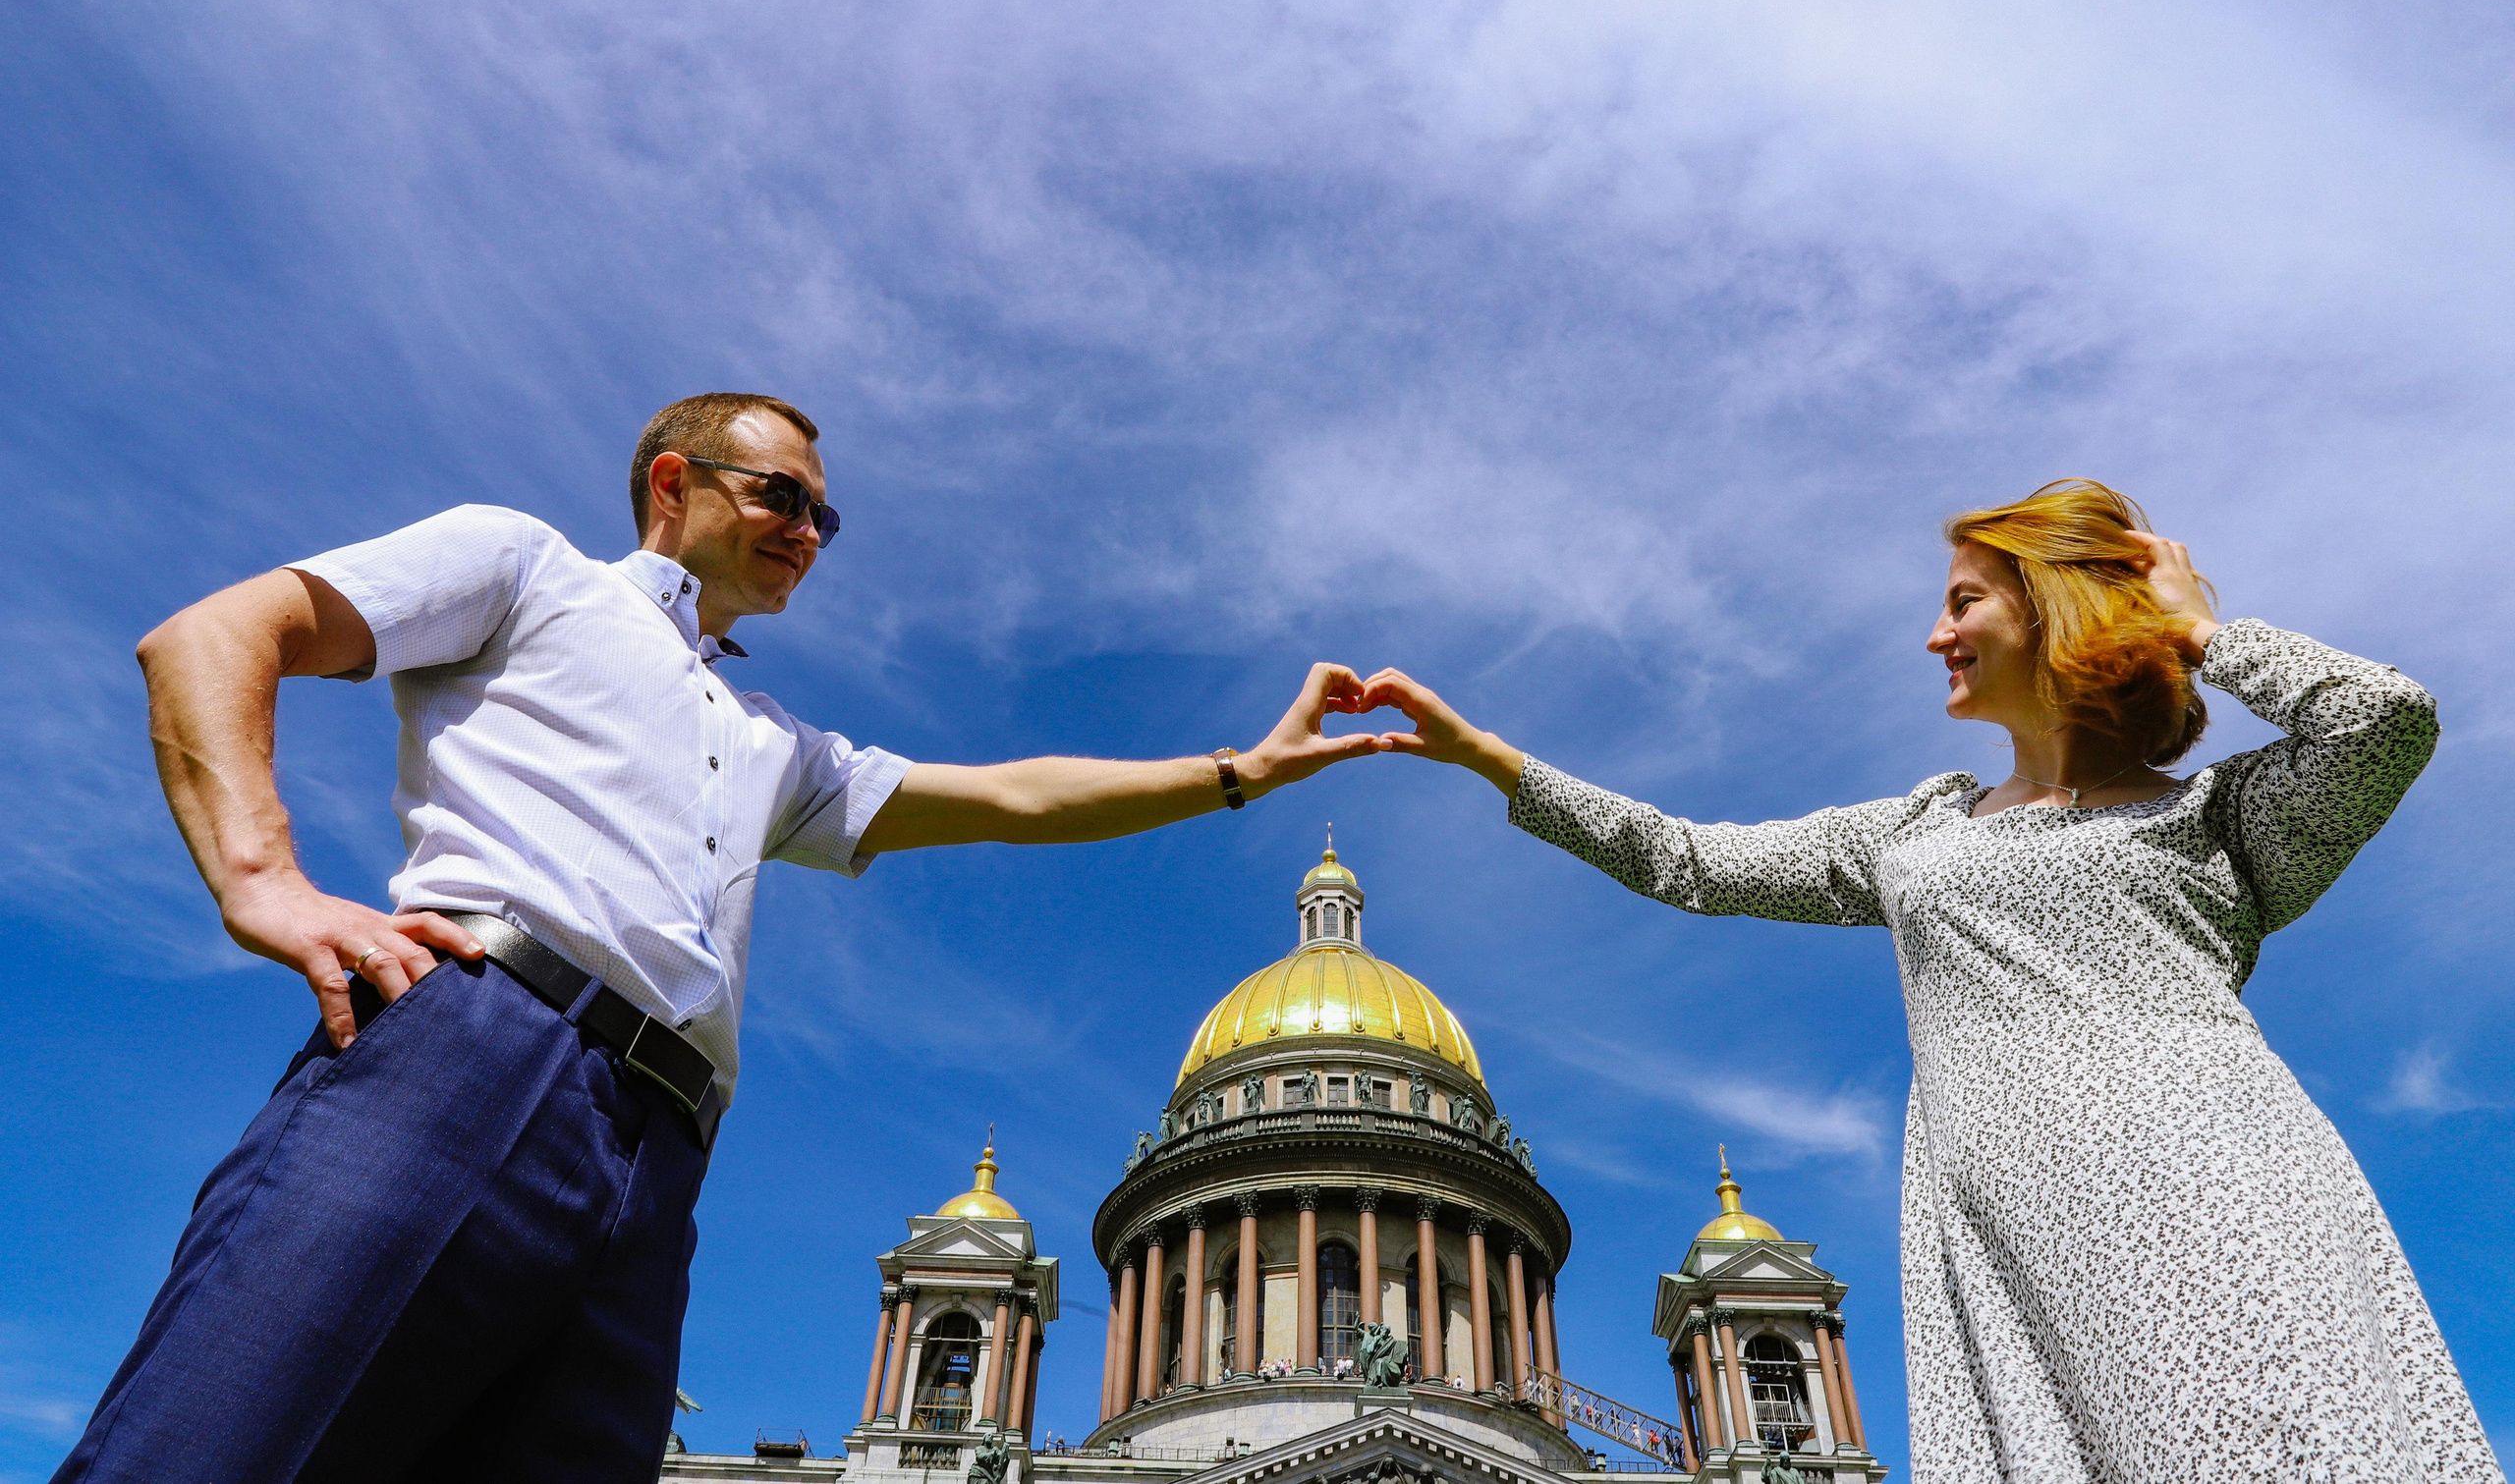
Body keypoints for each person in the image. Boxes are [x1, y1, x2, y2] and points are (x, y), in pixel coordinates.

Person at [59, 393, 1391, 1484]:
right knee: (232, 1432)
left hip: (661, 1151)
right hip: (480, 1039)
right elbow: (217, 634)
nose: (809, 530)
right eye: (780, 496)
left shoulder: (771, 744)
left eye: (826, 514)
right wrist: (264, 878)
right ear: (672, 481)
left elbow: (1010, 793)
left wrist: (1238, 769)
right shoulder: (530, 568)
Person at [1361, 479, 2499, 1481]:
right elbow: (1688, 861)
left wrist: (2194, 627)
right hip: (2001, 1222)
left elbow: (2381, 720)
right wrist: (1483, 755)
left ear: (2054, 610)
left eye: (1963, 601)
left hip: (2205, 1178)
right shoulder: (1915, 828)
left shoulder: (2216, 818)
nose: (1932, 634)